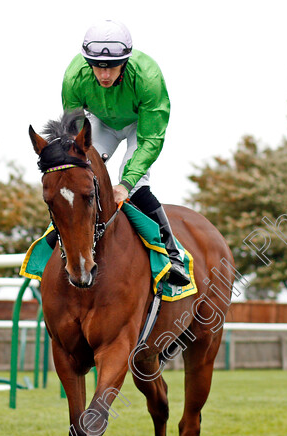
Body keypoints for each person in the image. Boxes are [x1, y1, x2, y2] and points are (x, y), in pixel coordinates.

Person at [57, 19, 191, 287]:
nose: (104, 75)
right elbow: (74, 129)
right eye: (97, 67)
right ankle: (57, 244)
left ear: (126, 62)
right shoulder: (74, 76)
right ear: (88, 62)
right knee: (74, 172)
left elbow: (151, 139)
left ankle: (172, 254)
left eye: (112, 68)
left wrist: (125, 184)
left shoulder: (148, 76)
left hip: (139, 125)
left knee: (134, 182)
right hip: (100, 122)